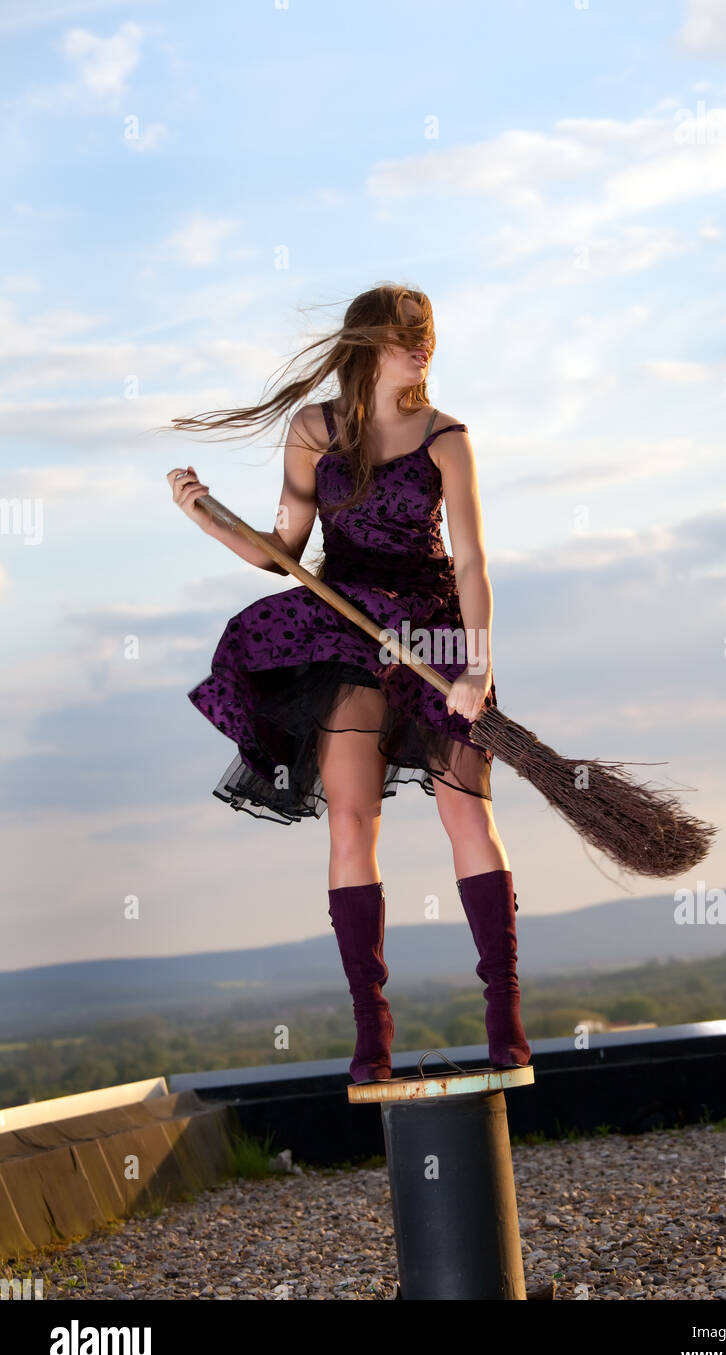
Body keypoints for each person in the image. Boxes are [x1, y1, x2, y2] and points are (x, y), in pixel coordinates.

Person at [167, 282, 530, 1083]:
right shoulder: (315, 431)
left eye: (428, 332)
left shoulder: (447, 437)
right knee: (349, 820)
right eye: (407, 332)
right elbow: (283, 549)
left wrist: (477, 663)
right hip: (345, 626)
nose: (422, 343)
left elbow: (470, 561)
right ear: (369, 339)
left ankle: (505, 1018)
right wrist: (206, 517)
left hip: (432, 626)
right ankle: (373, 1040)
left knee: (467, 814)